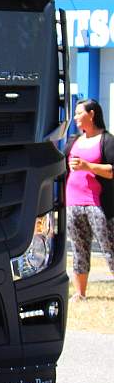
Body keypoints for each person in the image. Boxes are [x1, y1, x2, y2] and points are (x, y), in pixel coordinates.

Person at [66, 98, 114, 301]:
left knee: (109, 248)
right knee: (79, 249)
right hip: (73, 203)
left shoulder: (107, 141)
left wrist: (87, 166)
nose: (76, 117)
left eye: (79, 113)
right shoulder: (73, 141)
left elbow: (111, 171)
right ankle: (80, 294)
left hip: (98, 204)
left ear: (92, 114)